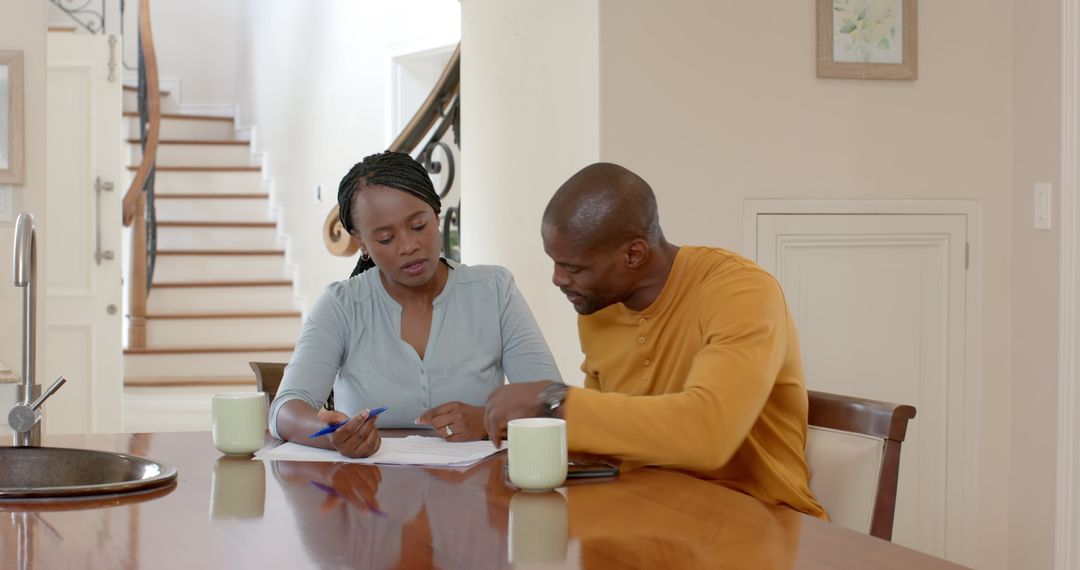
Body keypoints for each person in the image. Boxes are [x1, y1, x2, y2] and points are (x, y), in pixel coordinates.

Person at [483, 162, 826, 518]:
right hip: (651, 513)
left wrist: (554, 402)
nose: (557, 279)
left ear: (633, 254)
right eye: (554, 262)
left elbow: (708, 433)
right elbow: (605, 442)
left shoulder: (740, 291)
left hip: (761, 519)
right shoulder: (599, 308)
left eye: (574, 268)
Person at [271, 151, 561, 458]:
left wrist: (490, 420)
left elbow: (552, 400)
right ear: (362, 243)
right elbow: (285, 409)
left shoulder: (494, 291)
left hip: (478, 492)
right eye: (385, 239)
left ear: (436, 215)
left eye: (419, 225)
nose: (409, 246)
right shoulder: (343, 306)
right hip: (369, 494)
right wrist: (335, 437)